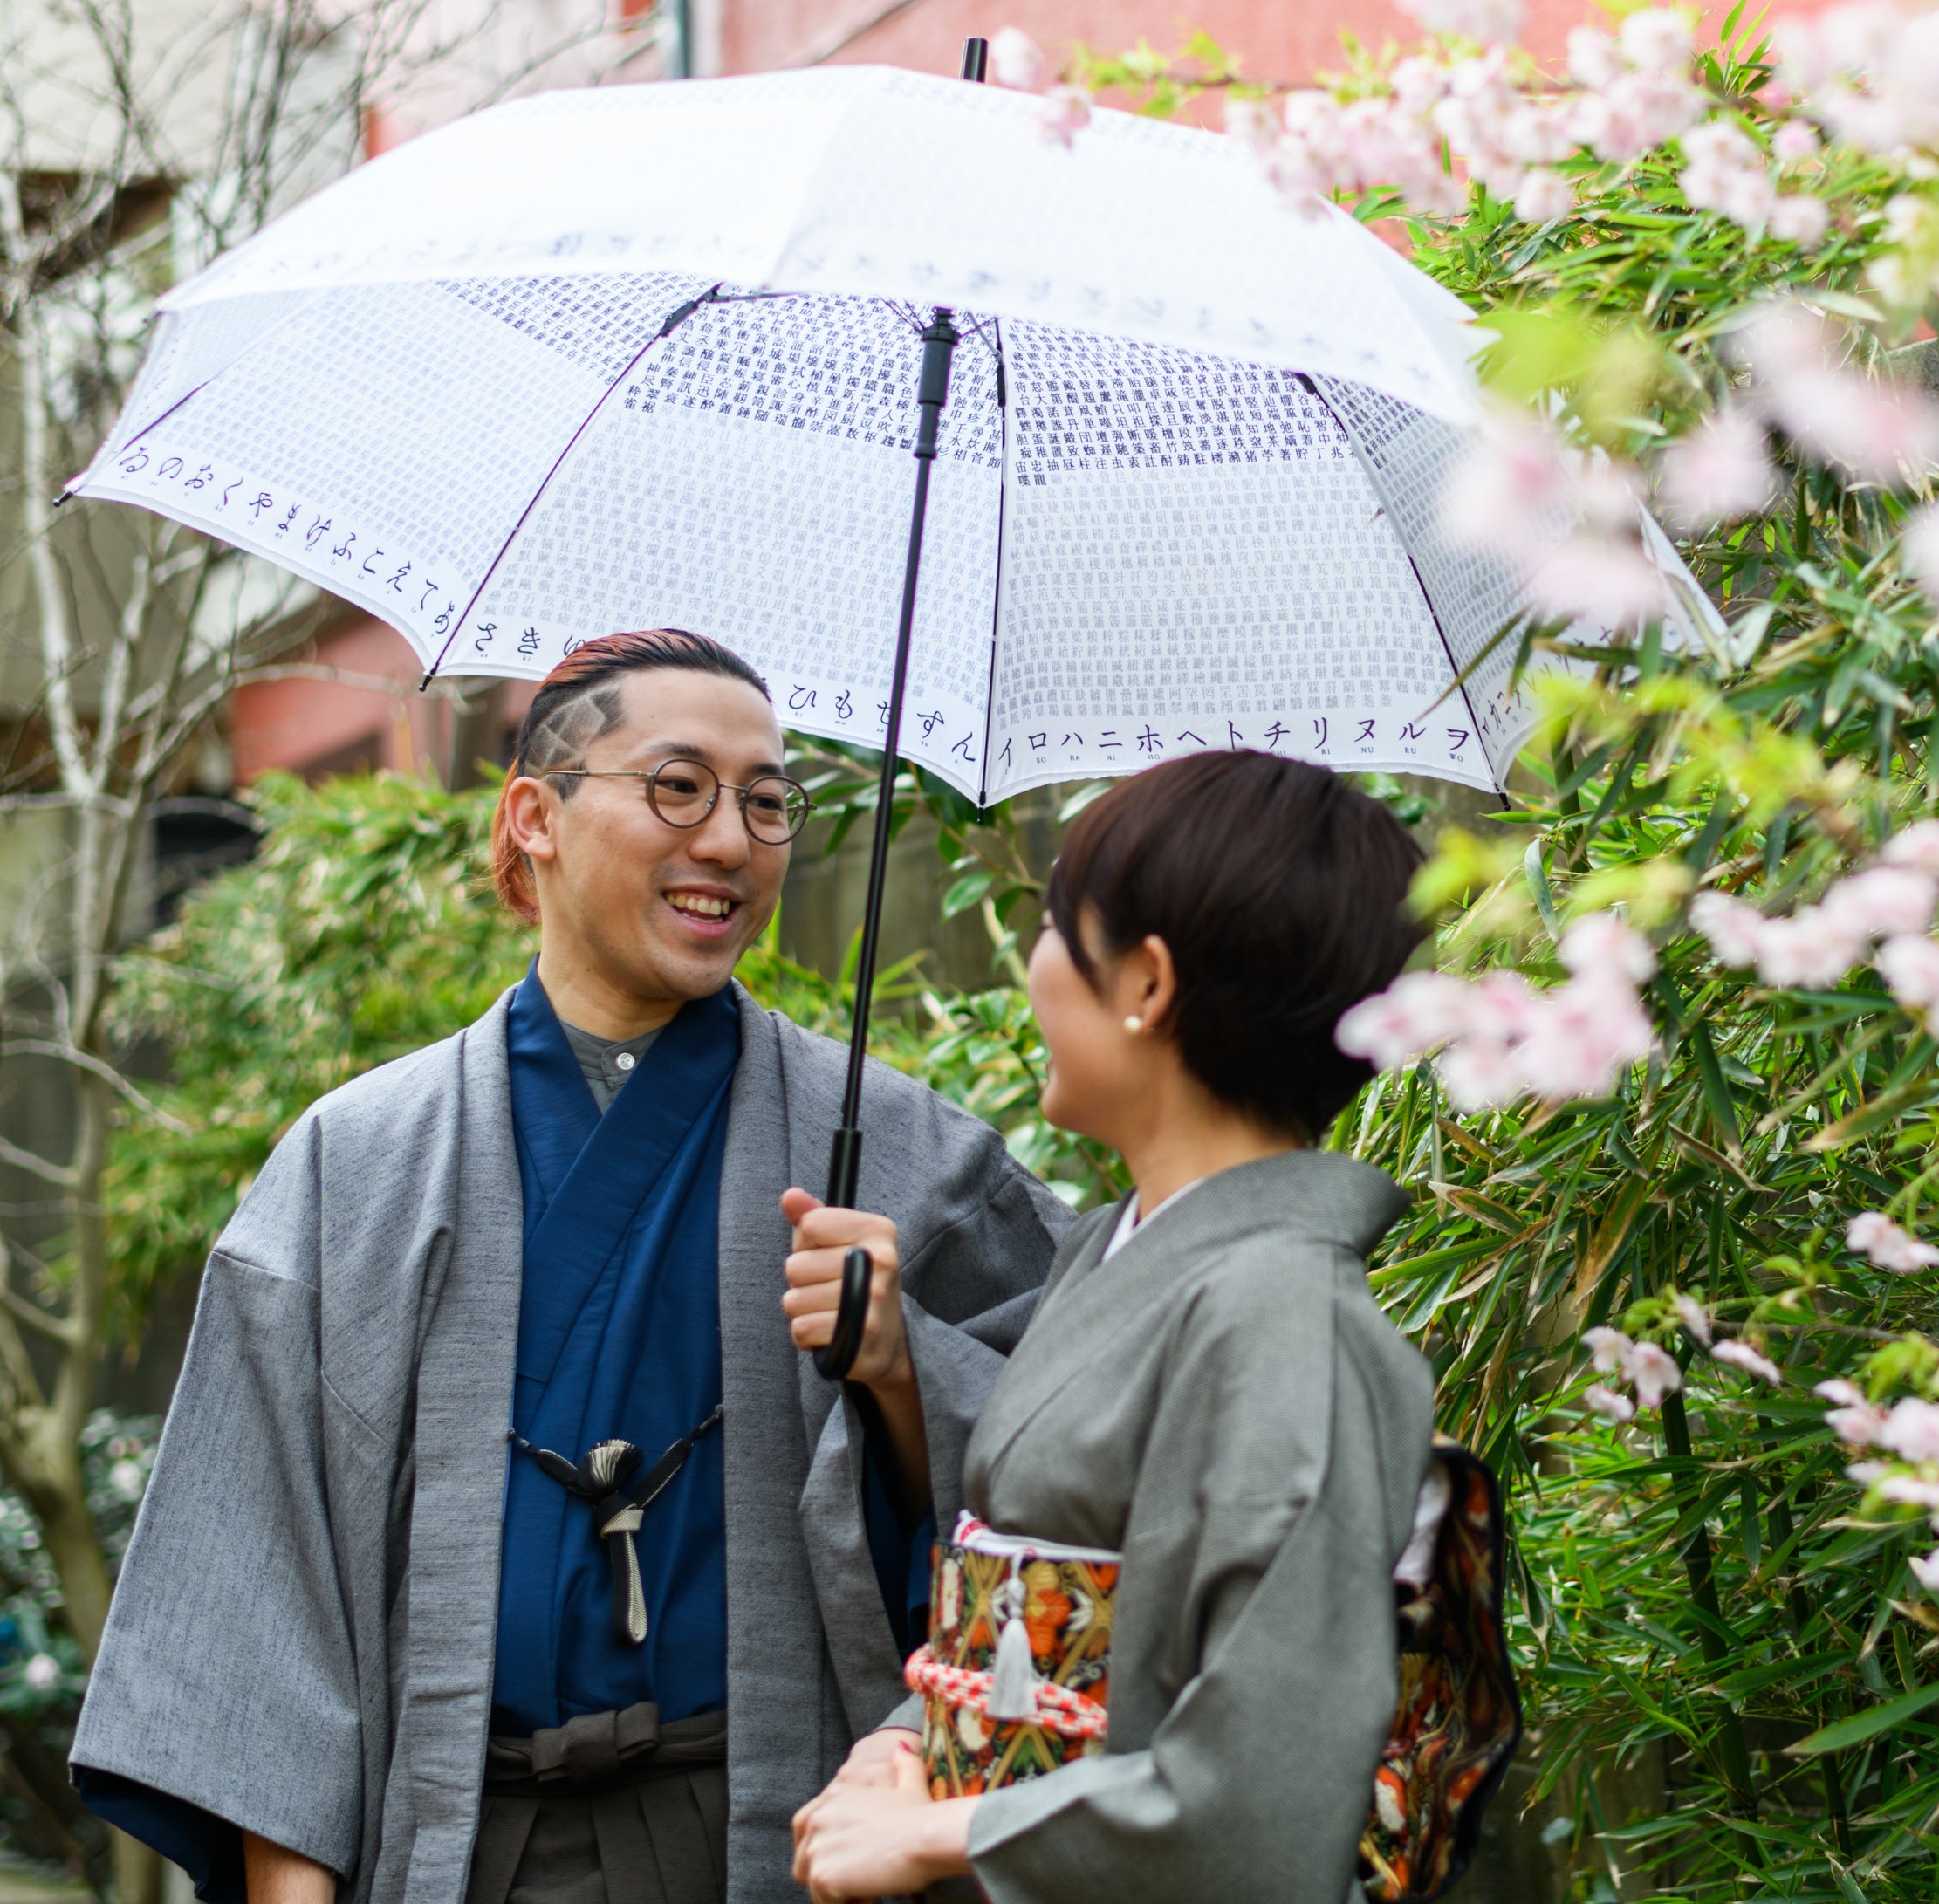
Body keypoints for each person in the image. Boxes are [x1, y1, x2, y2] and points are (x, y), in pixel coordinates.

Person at [72, 629, 1069, 1904]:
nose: (728, 840)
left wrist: (903, 1368)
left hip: (771, 1838)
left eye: (766, 800)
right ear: (535, 816)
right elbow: (264, 1596)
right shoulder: (355, 1166)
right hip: (450, 1841)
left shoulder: (899, 1150)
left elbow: (1079, 1496)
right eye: (677, 786)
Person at [788, 750, 1434, 1904]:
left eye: (1052, 924)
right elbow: (1008, 1601)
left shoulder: (1292, 1321)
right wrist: (904, 1748)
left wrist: (942, 1834)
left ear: (1144, 984)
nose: (1033, 963)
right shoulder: (1115, 1251)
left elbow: (1262, 1796)